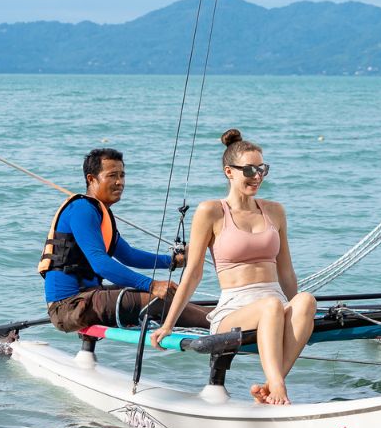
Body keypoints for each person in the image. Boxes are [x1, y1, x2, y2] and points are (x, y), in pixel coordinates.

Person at [152, 129, 316, 405]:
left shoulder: (275, 211)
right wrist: (168, 324)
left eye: (262, 169)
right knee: (271, 306)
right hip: (234, 309)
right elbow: (192, 272)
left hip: (273, 303)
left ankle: (270, 386)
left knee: (306, 301)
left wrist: (297, 318)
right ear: (229, 171)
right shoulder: (211, 211)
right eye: (250, 169)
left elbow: (286, 271)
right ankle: (278, 387)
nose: (258, 176)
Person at [41, 148, 210, 334]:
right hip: (67, 307)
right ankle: (220, 324)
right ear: (91, 179)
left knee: (170, 298)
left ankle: (216, 317)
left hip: (86, 299)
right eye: (112, 175)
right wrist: (152, 285)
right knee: (158, 300)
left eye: (122, 175)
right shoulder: (82, 209)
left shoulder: (101, 213)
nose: (119, 182)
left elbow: (129, 255)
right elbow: (100, 263)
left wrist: (172, 261)